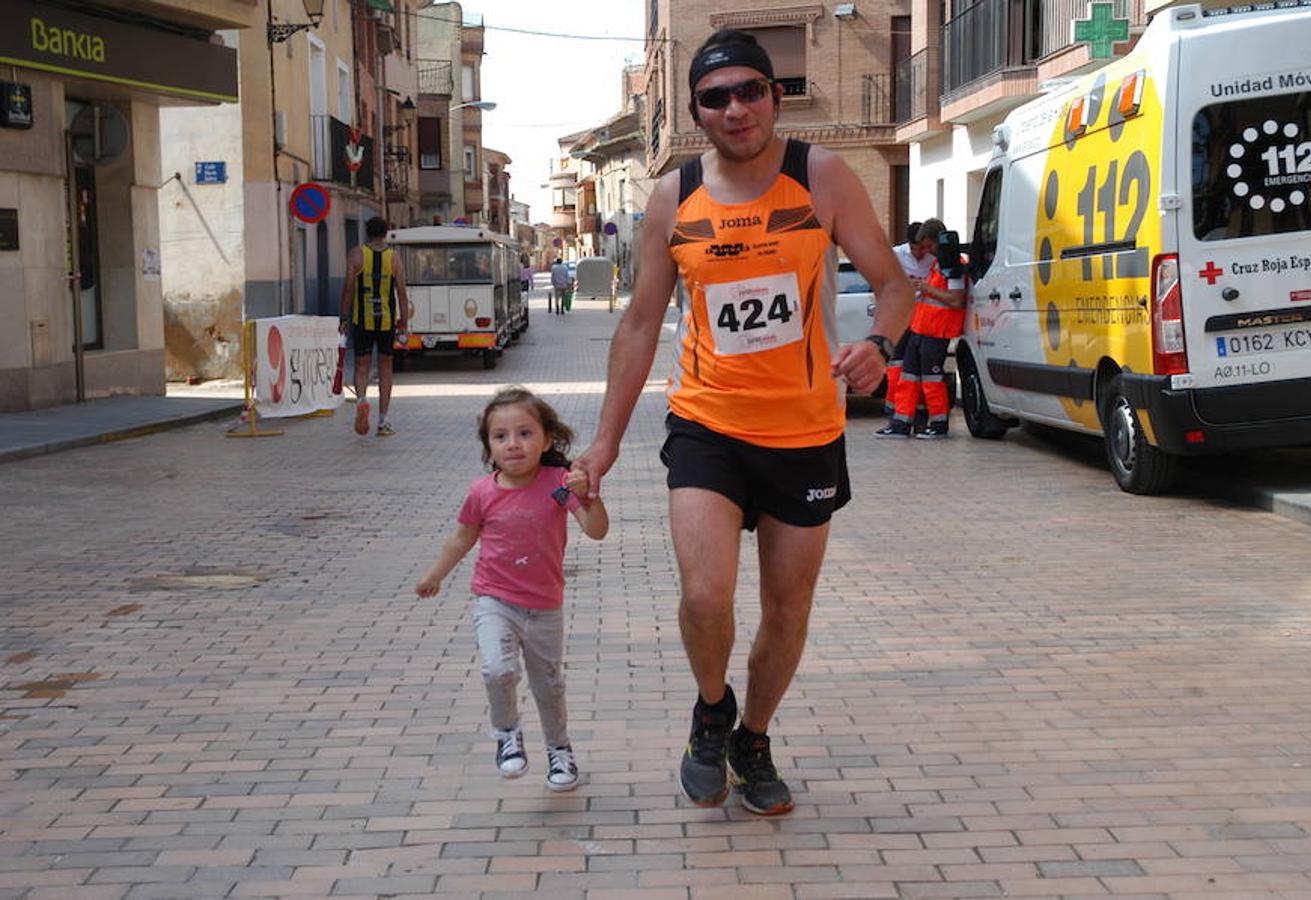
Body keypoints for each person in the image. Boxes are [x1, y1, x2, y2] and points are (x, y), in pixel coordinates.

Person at [571, 28, 912, 816]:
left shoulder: (820, 177)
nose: (734, 109)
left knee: (787, 610)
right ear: (694, 112)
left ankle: (752, 736)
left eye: (749, 91)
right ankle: (710, 708)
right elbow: (636, 325)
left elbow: (893, 285)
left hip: (805, 431)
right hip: (706, 423)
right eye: (715, 97)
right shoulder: (673, 197)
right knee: (704, 596)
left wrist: (878, 346)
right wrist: (605, 441)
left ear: (774, 96)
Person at [415, 387, 609, 791]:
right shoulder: (482, 493)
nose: (513, 444)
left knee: (548, 683)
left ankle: (560, 750)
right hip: (495, 600)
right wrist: (435, 574)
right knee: (497, 669)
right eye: (500, 436)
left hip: (544, 606)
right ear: (489, 446)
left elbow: (595, 531)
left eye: (524, 433)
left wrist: (589, 497)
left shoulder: (558, 484)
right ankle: (506, 735)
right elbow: (461, 539)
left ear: (546, 440)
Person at [876, 219, 969, 439]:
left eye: (929, 246)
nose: (927, 252)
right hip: (922, 328)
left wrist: (924, 287)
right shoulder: (940, 263)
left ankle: (938, 425)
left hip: (937, 331)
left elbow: (956, 300)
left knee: (931, 380)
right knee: (908, 377)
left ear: (938, 241)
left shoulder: (951, 265)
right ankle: (900, 424)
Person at [339, 217, 410, 437]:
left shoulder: (356, 255)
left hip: (363, 320)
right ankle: (383, 421)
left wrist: (343, 318)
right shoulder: (394, 258)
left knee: (362, 366)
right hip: (386, 321)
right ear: (386, 233)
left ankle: (361, 401)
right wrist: (403, 324)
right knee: (386, 370)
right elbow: (401, 293)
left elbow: (348, 289)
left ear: (366, 232)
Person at [876, 218, 940, 435]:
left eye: (923, 248)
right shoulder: (895, 255)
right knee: (898, 369)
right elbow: (882, 281)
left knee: (918, 372)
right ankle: (897, 416)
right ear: (908, 245)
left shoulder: (934, 258)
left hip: (924, 320)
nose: (920, 253)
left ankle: (919, 419)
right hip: (902, 317)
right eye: (916, 248)